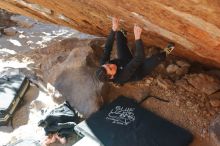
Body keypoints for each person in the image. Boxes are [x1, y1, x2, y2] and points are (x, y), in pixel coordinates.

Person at [96, 17, 174, 84]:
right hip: (139, 70)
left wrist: (113, 29)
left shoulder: (104, 64)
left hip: (124, 60)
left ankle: (124, 33)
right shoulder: (122, 77)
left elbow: (108, 47)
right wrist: (137, 38)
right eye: (111, 68)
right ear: (111, 77)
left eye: (108, 64)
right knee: (159, 57)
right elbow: (139, 58)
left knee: (119, 35)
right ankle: (166, 52)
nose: (111, 65)